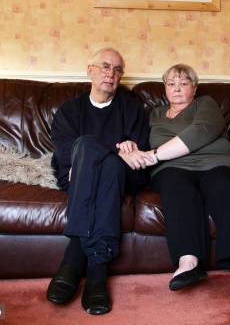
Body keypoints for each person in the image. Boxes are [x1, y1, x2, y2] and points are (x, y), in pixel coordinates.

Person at [137, 64, 230, 298]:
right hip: (171, 169)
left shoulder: (205, 104)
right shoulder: (155, 114)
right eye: (171, 84)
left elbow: (201, 131)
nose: (176, 88)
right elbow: (138, 139)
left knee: (225, 190)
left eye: (183, 83)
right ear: (164, 89)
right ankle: (189, 262)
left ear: (194, 88)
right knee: (177, 190)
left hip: (214, 164)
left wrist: (155, 155)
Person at [47, 48, 150, 315]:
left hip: (120, 178)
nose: (110, 73)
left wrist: (115, 157)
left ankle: (73, 262)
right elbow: (66, 153)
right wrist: (116, 151)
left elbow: (139, 155)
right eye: (105, 66)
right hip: (76, 175)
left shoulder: (132, 109)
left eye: (117, 69)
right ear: (89, 69)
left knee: (106, 166)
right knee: (85, 146)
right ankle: (97, 273)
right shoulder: (70, 111)